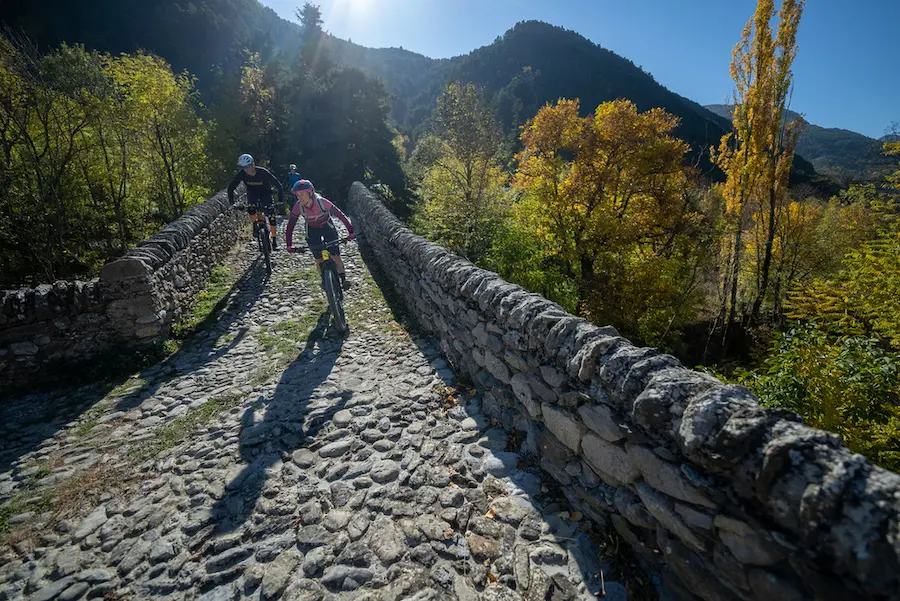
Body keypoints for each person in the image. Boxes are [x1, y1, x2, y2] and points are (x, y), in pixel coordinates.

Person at [286, 179, 356, 290]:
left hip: (327, 227)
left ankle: (343, 280)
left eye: (302, 194)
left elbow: (341, 216)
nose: (300, 198)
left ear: (310, 193)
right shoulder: (298, 206)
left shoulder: (322, 202)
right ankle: (324, 280)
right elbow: (290, 226)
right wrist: (289, 245)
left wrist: (351, 232)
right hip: (312, 230)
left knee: (335, 255)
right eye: (297, 195)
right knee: (318, 259)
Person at [227, 154, 284, 250]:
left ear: (253, 165)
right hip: (252, 194)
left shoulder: (263, 172)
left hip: (266, 194)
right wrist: (232, 203)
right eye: (243, 167)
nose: (246, 169)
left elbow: (278, 185)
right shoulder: (242, 174)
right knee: (251, 209)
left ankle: (274, 240)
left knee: (271, 217)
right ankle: (255, 224)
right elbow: (231, 188)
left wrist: (280, 200)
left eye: (247, 166)